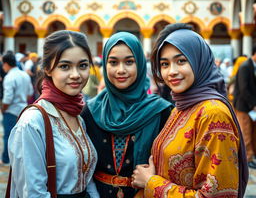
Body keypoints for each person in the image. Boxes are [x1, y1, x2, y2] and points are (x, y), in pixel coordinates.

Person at [132, 23, 248, 198]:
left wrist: (151, 183)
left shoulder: (213, 114)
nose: (172, 71)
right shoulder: (182, 107)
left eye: (181, 61)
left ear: (198, 60)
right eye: (164, 64)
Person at [8, 30, 99, 197]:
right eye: (65, 66)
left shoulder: (78, 115)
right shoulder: (33, 122)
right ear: (48, 69)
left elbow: (87, 178)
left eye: (83, 65)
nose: (76, 75)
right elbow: (33, 193)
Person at [82, 32, 172, 197]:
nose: (121, 70)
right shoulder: (91, 111)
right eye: (113, 62)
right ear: (105, 65)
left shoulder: (161, 111)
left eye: (129, 62)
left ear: (140, 64)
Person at [1, 52, 33, 165]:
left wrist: (3, 109)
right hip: (23, 110)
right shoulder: (24, 75)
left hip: (11, 110)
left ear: (5, 64)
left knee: (8, 136)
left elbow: (7, 98)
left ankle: (6, 159)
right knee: (20, 137)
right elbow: (30, 93)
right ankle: (19, 158)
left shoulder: (9, 77)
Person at [233, 45, 256, 169]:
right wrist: (253, 105)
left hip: (251, 106)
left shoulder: (252, 66)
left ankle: (252, 155)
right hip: (244, 105)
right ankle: (248, 158)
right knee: (246, 132)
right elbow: (243, 89)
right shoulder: (245, 67)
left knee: (252, 131)